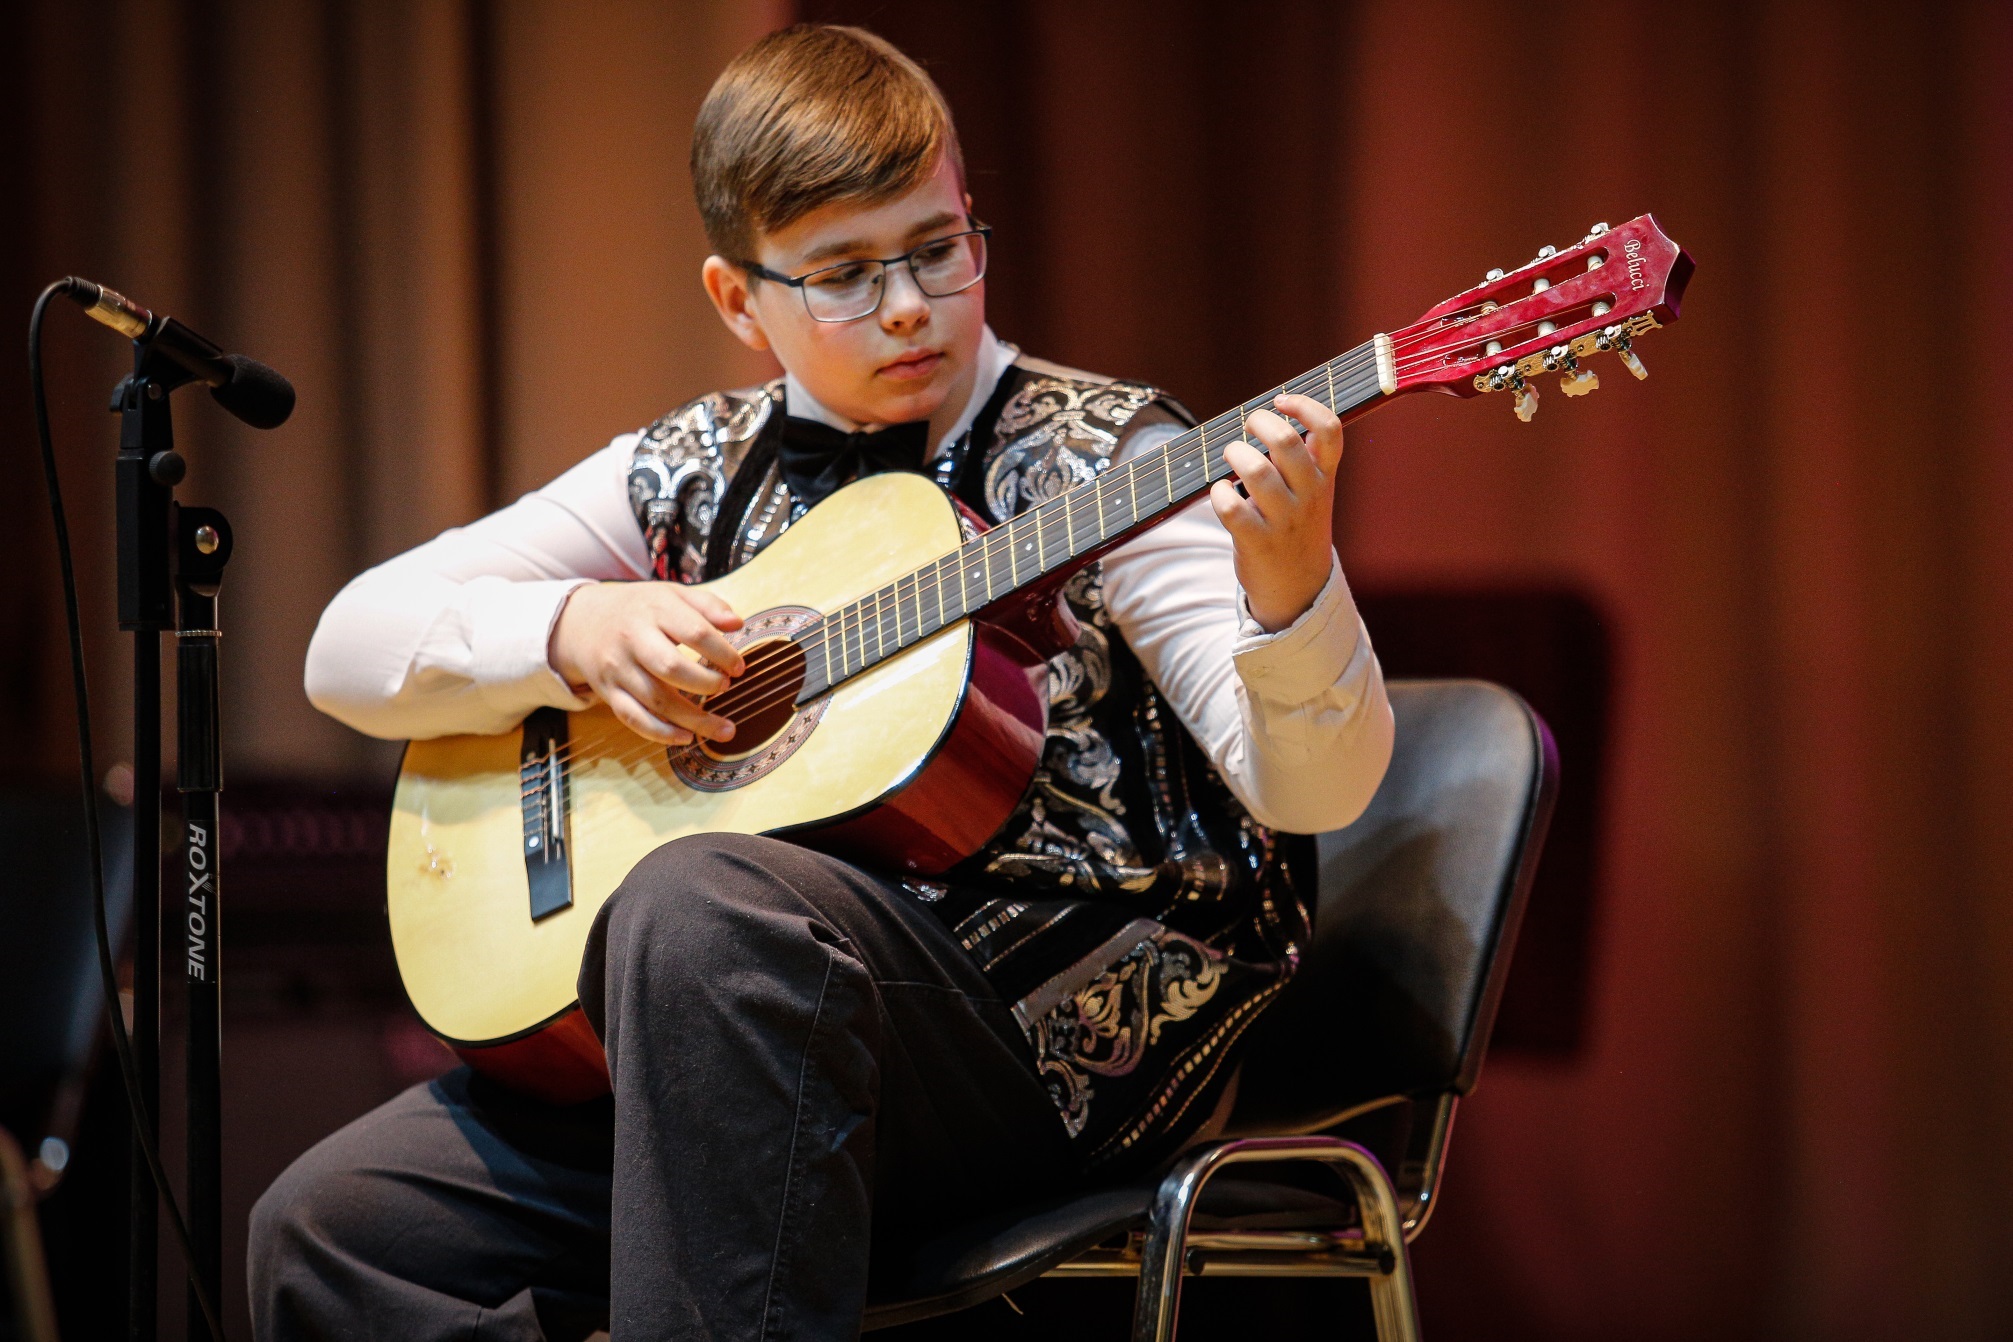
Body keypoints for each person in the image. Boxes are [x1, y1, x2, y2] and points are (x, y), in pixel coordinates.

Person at [253, 24, 1392, 1341]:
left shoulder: (1109, 461)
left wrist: (1291, 591)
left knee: (699, 905)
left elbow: (1316, 790)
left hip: (1049, 1046)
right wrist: (575, 628)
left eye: (936, 248)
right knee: (336, 1229)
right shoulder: (688, 464)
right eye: (845, 275)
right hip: (731, 1033)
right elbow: (347, 645)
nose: (908, 305)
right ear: (740, 302)